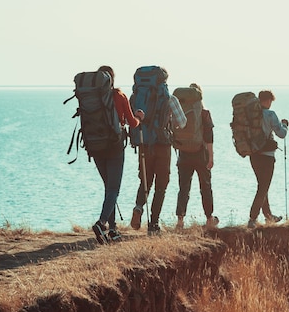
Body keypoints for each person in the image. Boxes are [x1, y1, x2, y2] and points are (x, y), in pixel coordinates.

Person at [92, 65, 145, 244]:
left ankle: (113, 230)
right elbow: (132, 122)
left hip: (96, 147)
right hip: (114, 147)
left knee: (109, 188)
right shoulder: (119, 96)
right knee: (113, 189)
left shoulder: (92, 98)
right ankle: (102, 223)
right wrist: (139, 117)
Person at [130, 82, 187, 234]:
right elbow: (182, 123)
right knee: (161, 185)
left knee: (145, 180)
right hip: (163, 145)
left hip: (144, 143)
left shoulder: (136, 97)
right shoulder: (170, 98)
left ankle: (138, 207)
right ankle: (153, 224)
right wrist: (170, 124)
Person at [175, 83, 218, 229]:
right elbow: (209, 137)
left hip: (183, 154)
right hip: (201, 153)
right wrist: (211, 157)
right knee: (205, 187)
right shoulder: (204, 113)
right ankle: (209, 218)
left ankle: (180, 220)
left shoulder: (180, 112)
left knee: (183, 188)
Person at [247, 90, 289, 229]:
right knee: (263, 187)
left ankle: (269, 216)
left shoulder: (250, 116)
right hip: (267, 156)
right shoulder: (270, 114)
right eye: (271, 101)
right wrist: (285, 125)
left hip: (253, 155)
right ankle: (252, 218)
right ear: (268, 100)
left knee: (262, 185)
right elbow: (281, 134)